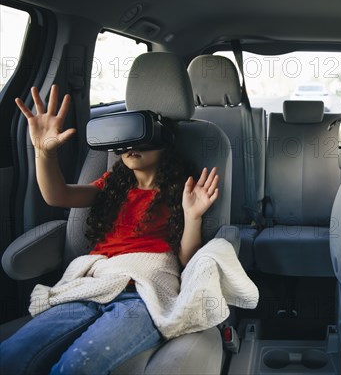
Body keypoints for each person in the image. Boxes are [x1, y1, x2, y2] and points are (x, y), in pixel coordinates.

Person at [0, 85, 220, 374]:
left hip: (141, 294)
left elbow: (186, 260)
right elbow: (58, 196)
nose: (130, 147)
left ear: (164, 140)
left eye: (139, 138)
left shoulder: (182, 190)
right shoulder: (111, 186)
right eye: (123, 141)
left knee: (76, 366)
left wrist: (193, 216)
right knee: (11, 356)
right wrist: (44, 153)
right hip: (91, 287)